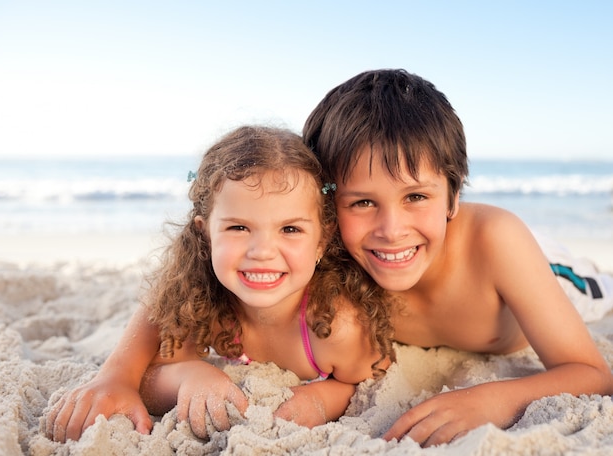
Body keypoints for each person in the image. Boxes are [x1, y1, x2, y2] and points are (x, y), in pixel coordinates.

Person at [302, 68, 613, 447]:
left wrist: (489, 399)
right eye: (363, 202)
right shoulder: (327, 265)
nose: (391, 229)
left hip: (553, 272)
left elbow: (592, 374)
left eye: (416, 197)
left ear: (452, 197)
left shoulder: (496, 240)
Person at [44, 125, 393, 443]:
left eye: (290, 229)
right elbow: (151, 372)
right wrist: (190, 376)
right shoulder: (204, 304)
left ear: (322, 240)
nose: (262, 252)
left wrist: (323, 399)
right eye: (239, 227)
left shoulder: (335, 326)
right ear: (205, 234)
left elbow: (362, 383)